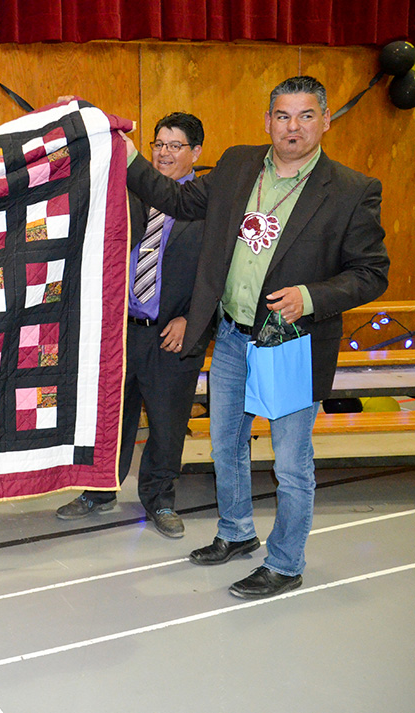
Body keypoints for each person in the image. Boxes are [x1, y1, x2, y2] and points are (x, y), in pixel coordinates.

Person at [125, 76, 389, 598]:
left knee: (291, 464)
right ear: (267, 122)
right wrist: (128, 152)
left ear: (325, 121)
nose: (293, 126)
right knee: (226, 445)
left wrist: (310, 297)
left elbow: (371, 271)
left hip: (293, 344)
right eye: (283, 116)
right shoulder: (238, 166)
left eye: (306, 115)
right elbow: (175, 201)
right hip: (230, 337)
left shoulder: (353, 190)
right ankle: (236, 532)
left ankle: (286, 561)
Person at [57, 112, 207, 539]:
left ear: (196, 153)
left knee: (166, 421)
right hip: (120, 331)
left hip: (173, 333)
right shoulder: (126, 193)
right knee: (109, 417)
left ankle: (160, 501)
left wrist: (191, 321)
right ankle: (99, 491)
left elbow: (219, 274)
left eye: (175, 146)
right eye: (158, 144)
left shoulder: (207, 203)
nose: (163, 153)